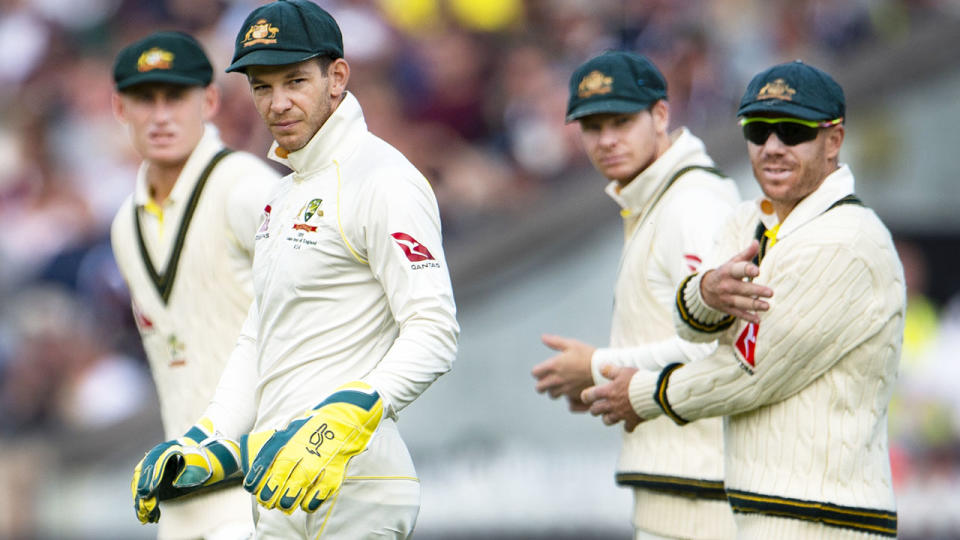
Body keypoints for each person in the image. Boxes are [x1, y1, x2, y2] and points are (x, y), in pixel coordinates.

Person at [128, 2, 459, 539]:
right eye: (262, 86)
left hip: (358, 484)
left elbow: (435, 331)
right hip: (277, 486)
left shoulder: (383, 179)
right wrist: (205, 440)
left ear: (337, 77)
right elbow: (259, 338)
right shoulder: (283, 193)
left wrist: (346, 417)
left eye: (296, 81)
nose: (278, 103)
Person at [582, 60, 904, 539]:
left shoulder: (847, 241)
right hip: (764, 514)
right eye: (758, 129)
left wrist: (643, 393)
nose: (772, 147)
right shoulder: (747, 221)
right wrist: (706, 291)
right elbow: (693, 328)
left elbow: (755, 373)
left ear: (833, 140)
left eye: (792, 131)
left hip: (825, 521)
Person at [531, 50, 740, 539]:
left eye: (621, 121)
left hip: (702, 493)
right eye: (591, 126)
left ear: (661, 114)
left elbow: (719, 348)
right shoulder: (658, 199)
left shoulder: (692, 204)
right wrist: (606, 383)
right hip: (680, 488)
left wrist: (599, 365)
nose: (606, 140)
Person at [110, 30, 279, 539]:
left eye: (175, 96)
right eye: (144, 98)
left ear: (208, 100)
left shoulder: (246, 187)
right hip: (183, 495)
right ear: (120, 107)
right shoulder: (125, 223)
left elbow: (332, 296)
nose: (160, 115)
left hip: (263, 485)